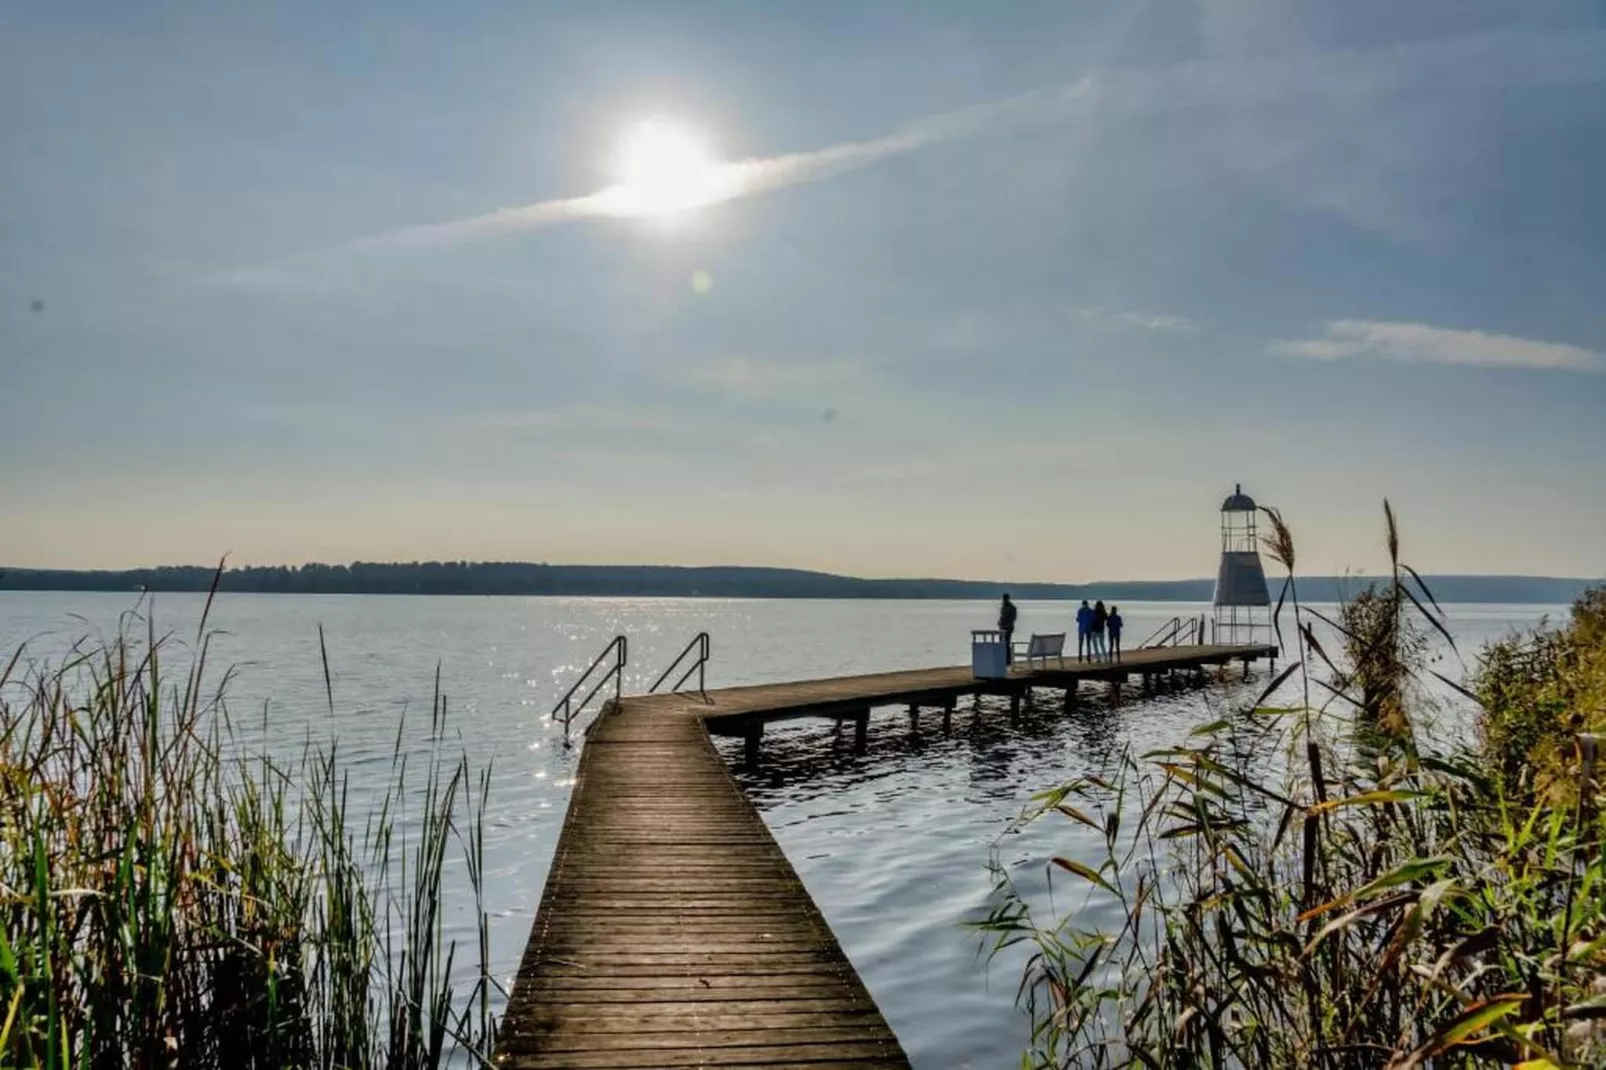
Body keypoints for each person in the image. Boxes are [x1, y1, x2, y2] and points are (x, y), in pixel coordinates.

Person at [998, 594, 1018, 665]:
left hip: (1008, 628)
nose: (1003, 600)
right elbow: (1002, 616)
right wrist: (999, 622)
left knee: (1006, 643)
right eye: (1003, 599)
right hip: (1002, 628)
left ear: (1007, 599)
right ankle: (1002, 659)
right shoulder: (1004, 606)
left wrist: (1004, 623)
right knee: (1002, 643)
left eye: (1005, 599)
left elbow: (1013, 618)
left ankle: (1007, 660)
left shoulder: (1012, 607)